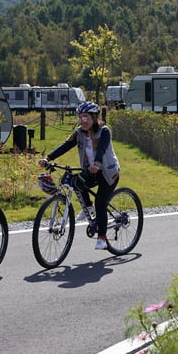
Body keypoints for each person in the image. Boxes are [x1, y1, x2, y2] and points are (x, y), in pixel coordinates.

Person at [38, 101, 120, 250]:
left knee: (101, 203)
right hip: (91, 171)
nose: (83, 121)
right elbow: (65, 145)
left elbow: (101, 149)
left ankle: (102, 237)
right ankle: (89, 209)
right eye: (80, 117)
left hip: (108, 172)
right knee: (76, 182)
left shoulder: (104, 131)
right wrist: (48, 158)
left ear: (94, 117)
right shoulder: (78, 133)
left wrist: (96, 164)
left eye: (86, 117)